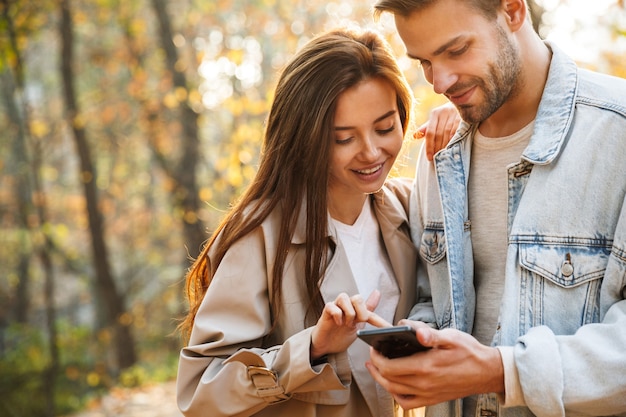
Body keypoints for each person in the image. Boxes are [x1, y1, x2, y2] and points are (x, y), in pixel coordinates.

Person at [176, 27, 457, 417]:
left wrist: (463, 133)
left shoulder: (412, 207)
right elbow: (199, 390)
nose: (372, 152)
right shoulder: (260, 234)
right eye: (344, 138)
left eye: (385, 127)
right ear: (305, 138)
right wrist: (313, 347)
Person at [366, 1, 626, 416]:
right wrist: (416, 346)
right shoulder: (438, 155)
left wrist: (501, 371)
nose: (440, 82)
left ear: (512, 10)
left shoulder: (617, 132)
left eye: (456, 50)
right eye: (424, 62)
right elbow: (434, 298)